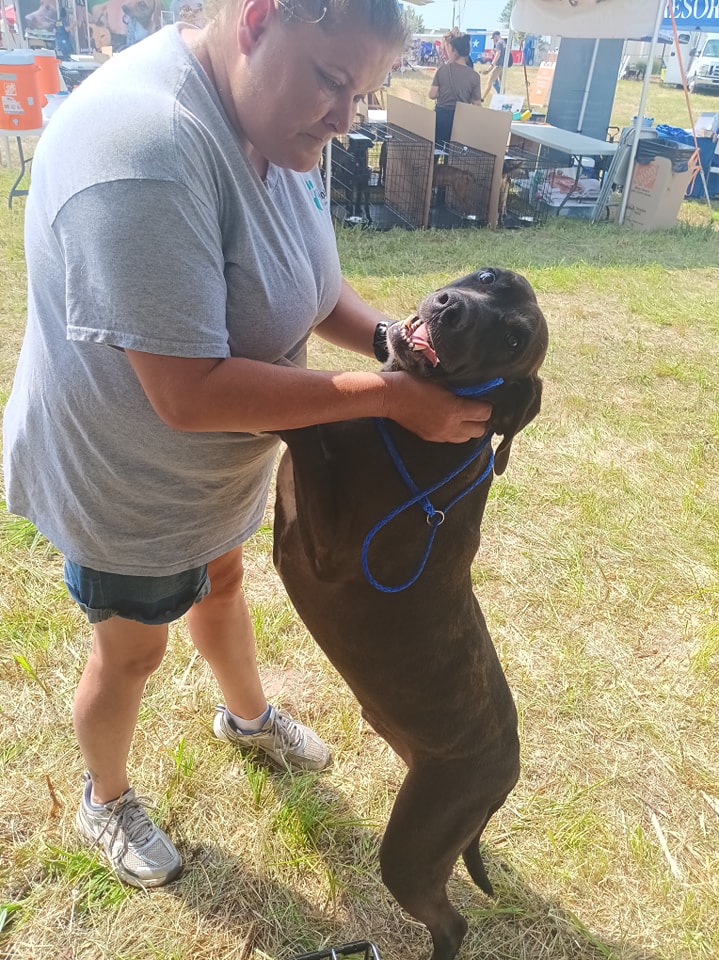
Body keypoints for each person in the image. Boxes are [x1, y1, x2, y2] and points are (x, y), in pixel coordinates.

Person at [2, 0, 494, 890]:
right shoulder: (144, 149)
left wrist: (396, 345)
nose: (345, 118)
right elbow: (187, 392)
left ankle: (247, 717)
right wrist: (389, 399)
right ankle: (104, 798)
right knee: (133, 651)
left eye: (364, 93)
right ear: (259, 20)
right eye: (333, 82)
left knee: (223, 585)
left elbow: (310, 284)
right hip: (128, 477)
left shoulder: (269, 117)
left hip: (218, 463)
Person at [429, 32, 483, 146]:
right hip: (461, 119)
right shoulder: (474, 76)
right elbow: (477, 104)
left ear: (455, 52)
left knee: (436, 150)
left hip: (440, 117)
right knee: (455, 152)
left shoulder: (442, 70)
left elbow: (432, 95)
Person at [486, 30, 507, 95]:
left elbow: (498, 54)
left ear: (495, 36)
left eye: (493, 38)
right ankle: (502, 95)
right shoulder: (503, 42)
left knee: (490, 82)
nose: (493, 40)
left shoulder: (499, 43)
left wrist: (492, 64)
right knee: (502, 83)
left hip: (498, 65)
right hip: (503, 65)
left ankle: (483, 98)